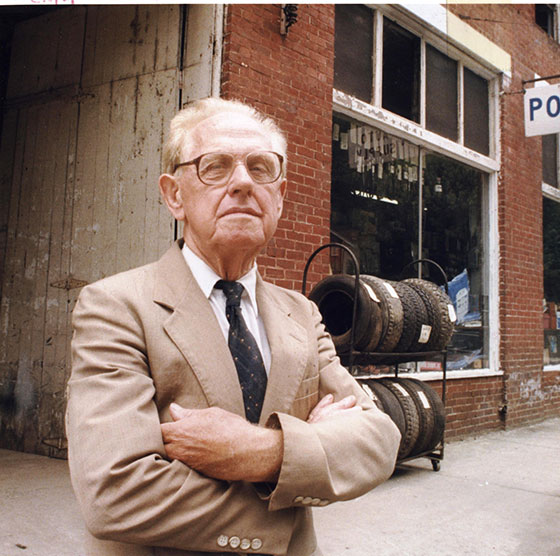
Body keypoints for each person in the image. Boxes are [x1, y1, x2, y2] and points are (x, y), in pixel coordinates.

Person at [66, 97, 401, 556]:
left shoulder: (302, 314)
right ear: (174, 195)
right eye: (215, 166)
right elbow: (115, 494)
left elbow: (378, 440)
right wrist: (307, 462)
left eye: (261, 167)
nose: (243, 181)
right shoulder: (116, 307)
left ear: (280, 197)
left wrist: (261, 451)